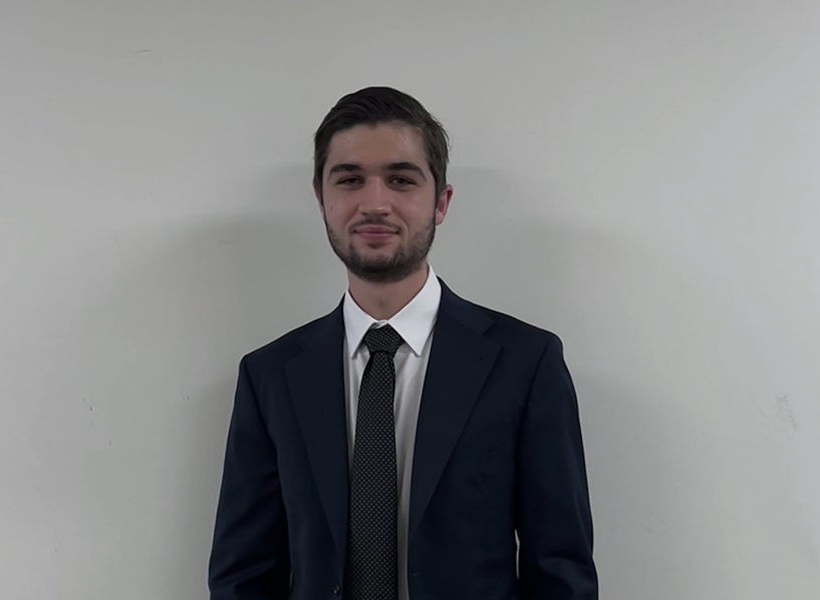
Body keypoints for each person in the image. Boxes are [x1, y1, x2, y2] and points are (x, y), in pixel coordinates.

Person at [208, 86, 598, 600]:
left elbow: (561, 572)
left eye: (400, 179)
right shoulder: (270, 376)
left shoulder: (525, 363)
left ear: (441, 202)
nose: (375, 203)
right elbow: (243, 575)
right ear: (321, 199)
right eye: (349, 180)